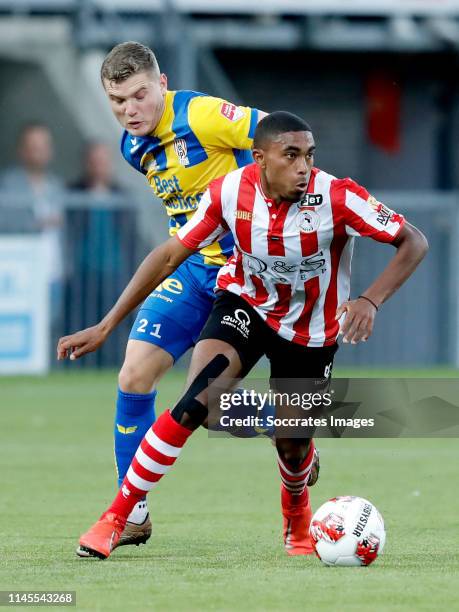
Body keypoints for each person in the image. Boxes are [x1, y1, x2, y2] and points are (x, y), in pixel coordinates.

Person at [59, 112, 428, 559]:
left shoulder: (337, 195)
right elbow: (171, 254)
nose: (303, 167)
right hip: (245, 306)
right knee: (199, 402)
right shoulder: (229, 191)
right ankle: (114, 518)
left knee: (293, 446)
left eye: (309, 155)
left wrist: (369, 301)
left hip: (311, 331)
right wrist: (106, 324)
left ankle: (296, 519)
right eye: (290, 156)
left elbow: (413, 241)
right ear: (259, 159)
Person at [58, 42, 322, 553]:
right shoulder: (132, 148)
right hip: (197, 266)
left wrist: (288, 210)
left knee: (211, 404)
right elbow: (184, 223)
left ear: (162, 84)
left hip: (249, 272)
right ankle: (131, 513)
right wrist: (107, 323)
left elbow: (283, 134)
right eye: (117, 101)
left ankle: (288, 434)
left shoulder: (200, 114)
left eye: (139, 96)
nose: (129, 110)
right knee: (133, 374)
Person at [0, 122, 65, 321]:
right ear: (22, 150)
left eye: (43, 146)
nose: (38, 151)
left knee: (51, 328)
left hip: (53, 273)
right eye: (32, 146)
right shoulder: (9, 184)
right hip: (21, 273)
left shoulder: (56, 185)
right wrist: (37, 224)